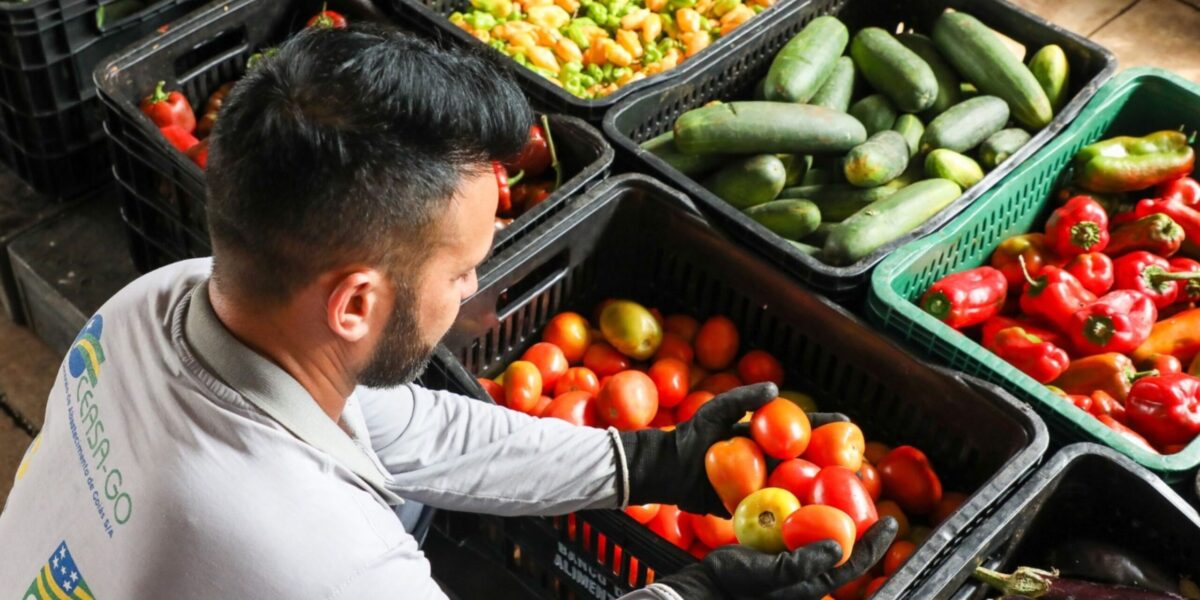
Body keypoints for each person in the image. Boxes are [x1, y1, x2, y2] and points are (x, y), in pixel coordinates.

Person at [0, 25, 893, 599]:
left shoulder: (159, 301)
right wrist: (696, 594)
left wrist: (648, 461)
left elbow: (402, 424)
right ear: (356, 302)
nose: (473, 290)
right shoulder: (321, 560)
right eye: (460, 271)